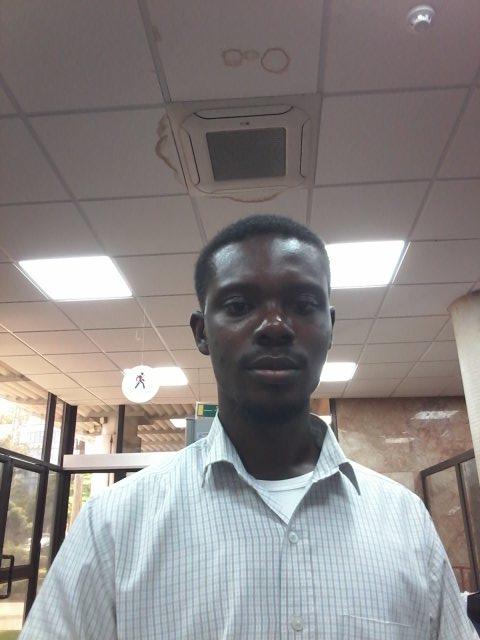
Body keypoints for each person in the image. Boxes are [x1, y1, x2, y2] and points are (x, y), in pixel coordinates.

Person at [20, 214, 475, 639]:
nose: (275, 326)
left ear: (330, 327)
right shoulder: (113, 527)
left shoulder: (405, 521)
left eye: (304, 304)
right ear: (201, 332)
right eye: (239, 305)